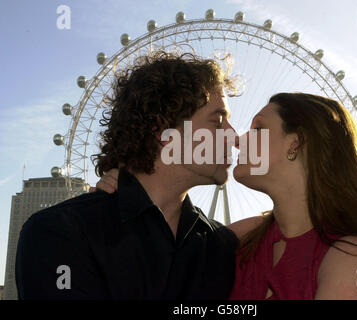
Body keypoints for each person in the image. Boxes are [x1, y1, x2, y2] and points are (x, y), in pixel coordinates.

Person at [97, 93, 357, 300]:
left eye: (258, 129)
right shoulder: (242, 238)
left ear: (296, 143)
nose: (237, 140)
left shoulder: (353, 260)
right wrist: (131, 190)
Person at [15, 50, 255, 299]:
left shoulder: (221, 245)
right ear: (163, 130)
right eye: (217, 122)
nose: (235, 137)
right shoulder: (60, 232)